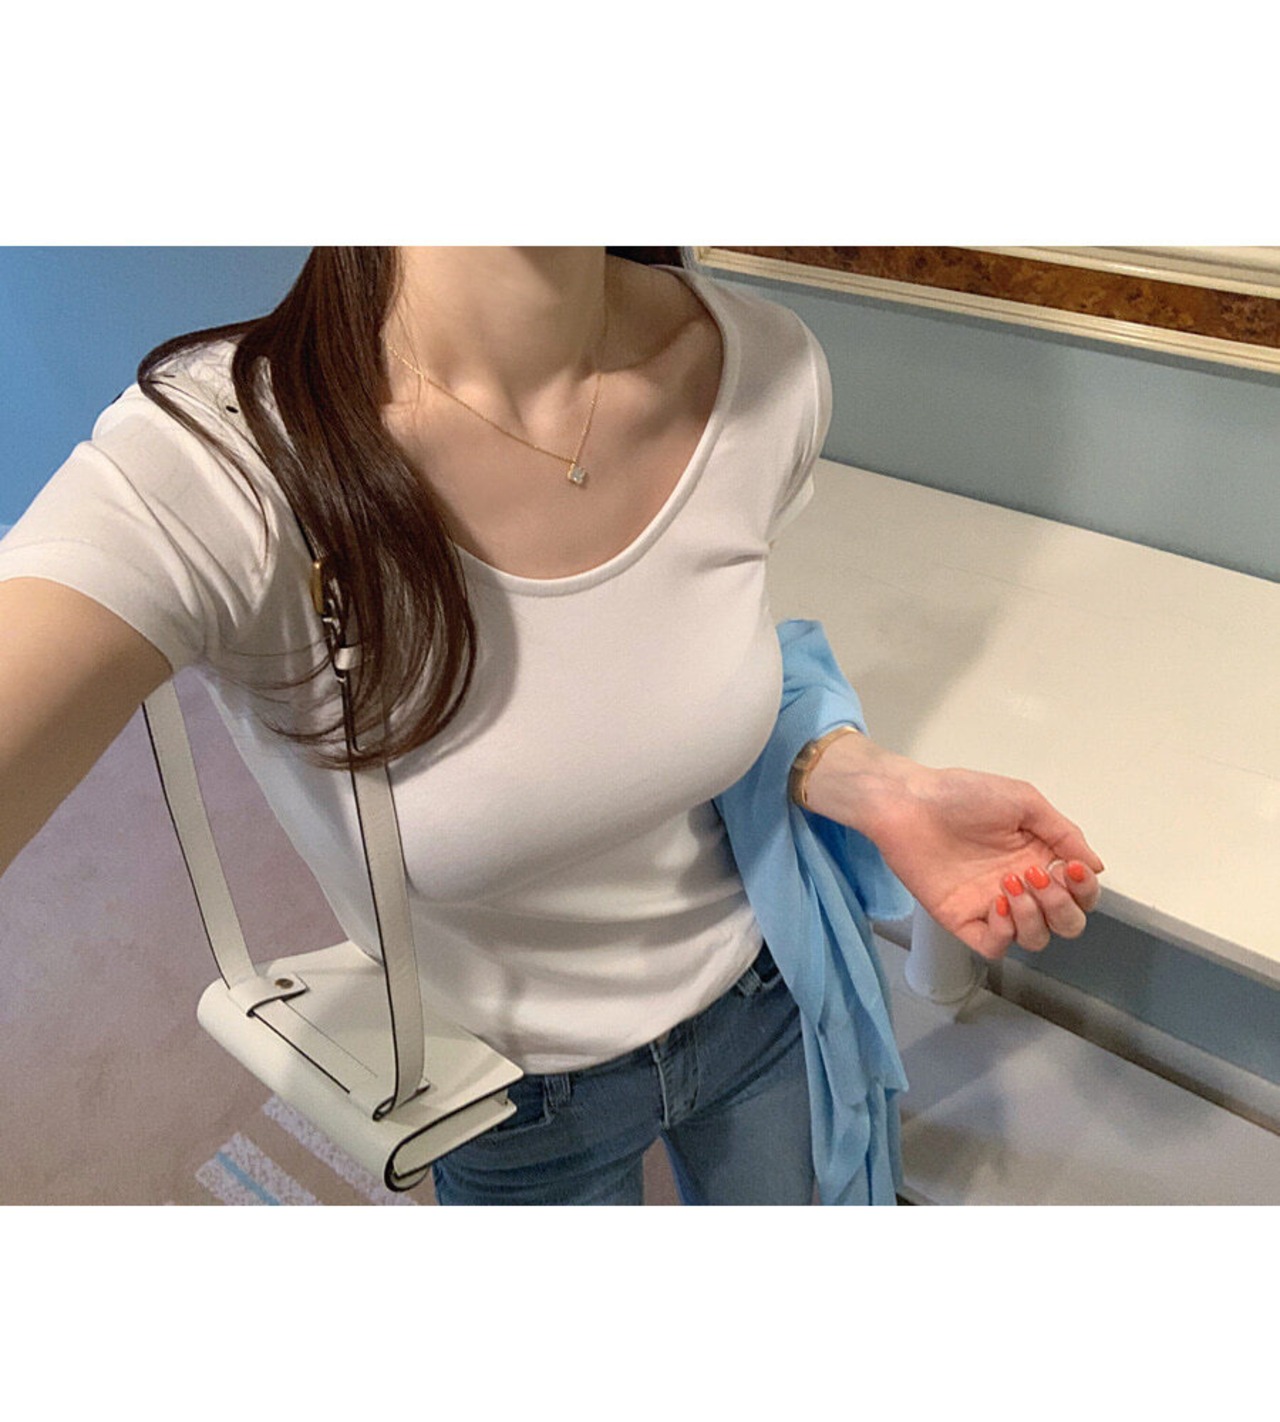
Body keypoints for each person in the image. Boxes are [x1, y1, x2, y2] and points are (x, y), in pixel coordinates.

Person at [0, 247, 1103, 1205]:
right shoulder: (214, 471)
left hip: (763, 998)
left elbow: (677, 686)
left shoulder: (765, 373)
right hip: (511, 1098)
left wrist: (860, 776)